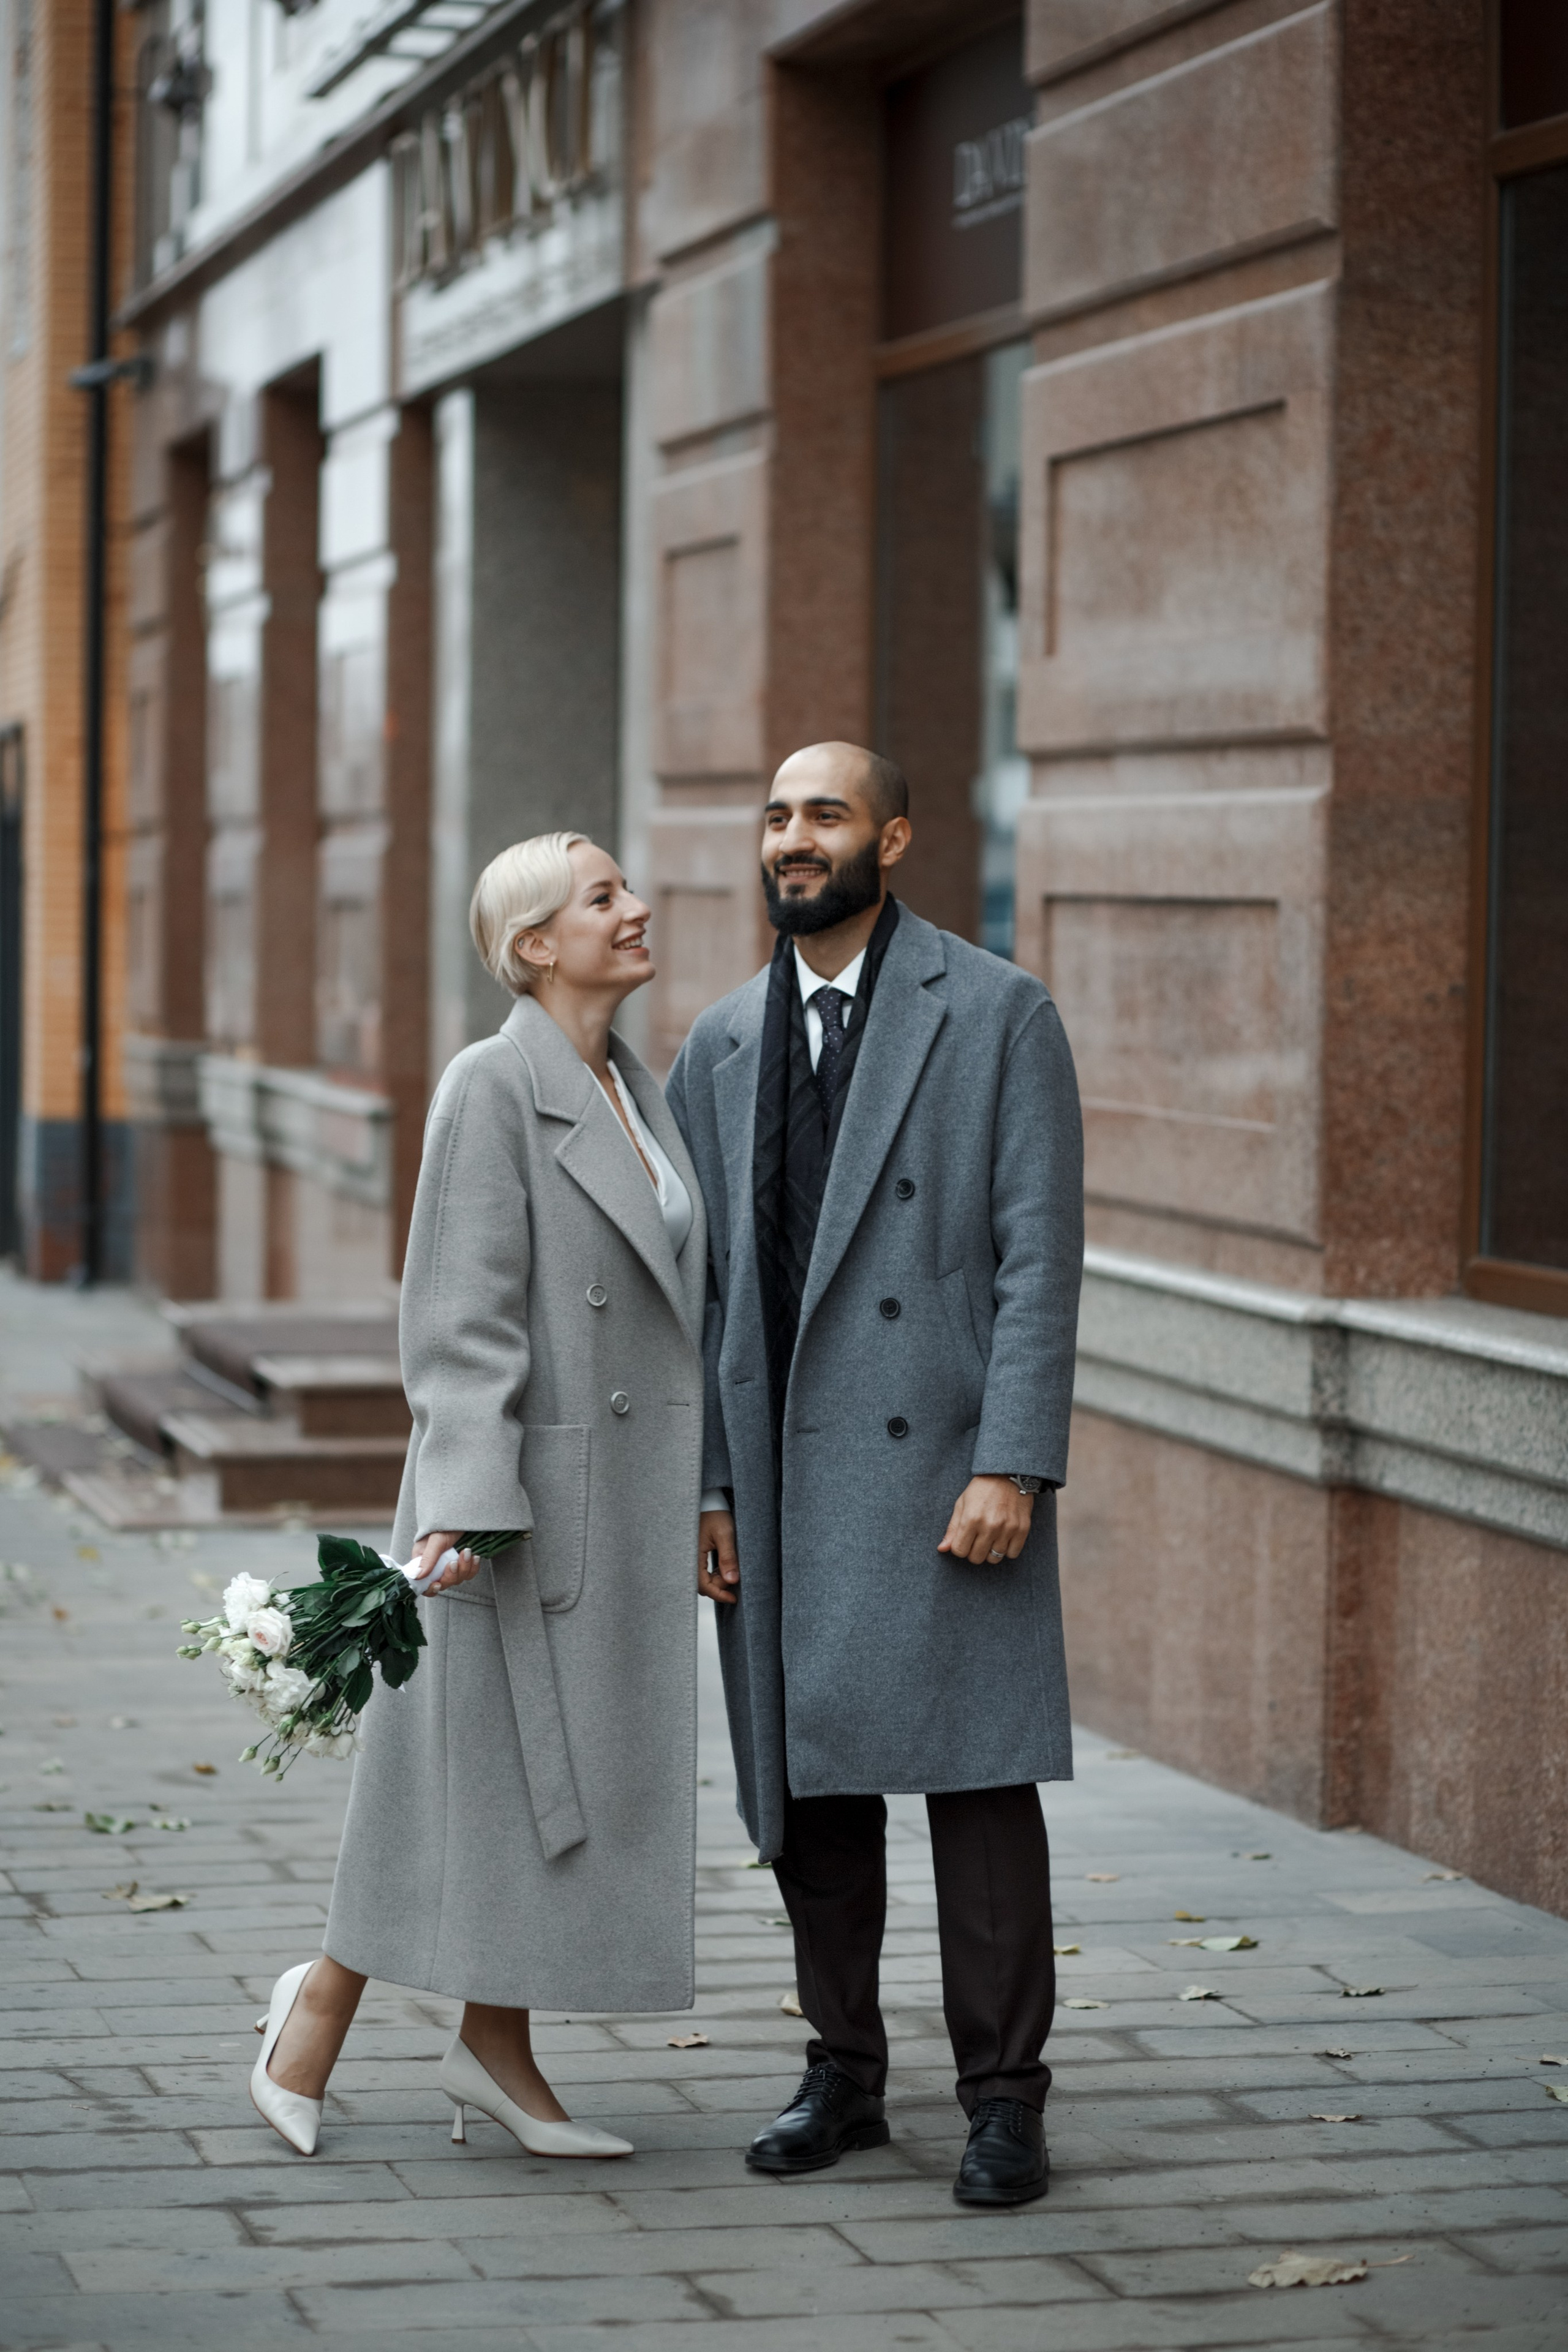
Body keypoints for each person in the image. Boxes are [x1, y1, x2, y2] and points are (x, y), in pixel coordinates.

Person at [249, 832, 710, 2163]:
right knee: (449, 1779)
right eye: (602, 898)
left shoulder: (634, 1081)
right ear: (532, 947)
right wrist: (464, 1496)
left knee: (529, 1788)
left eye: (626, 889)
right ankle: (312, 2023)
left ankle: (492, 2046)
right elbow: (457, 1314)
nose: (634, 910)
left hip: (618, 1499)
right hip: (509, 1500)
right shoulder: (488, 1085)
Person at [666, 742, 1083, 2207]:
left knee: (977, 1793)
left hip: (942, 1475)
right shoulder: (717, 1042)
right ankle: (841, 2071)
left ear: (890, 837)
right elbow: (703, 1300)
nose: (792, 839)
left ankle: (1002, 2101)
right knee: (814, 1796)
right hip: (780, 1483)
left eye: (823, 814)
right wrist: (709, 1490)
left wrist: (1013, 1460)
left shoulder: (992, 1011)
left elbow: (1039, 1259)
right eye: (775, 816)